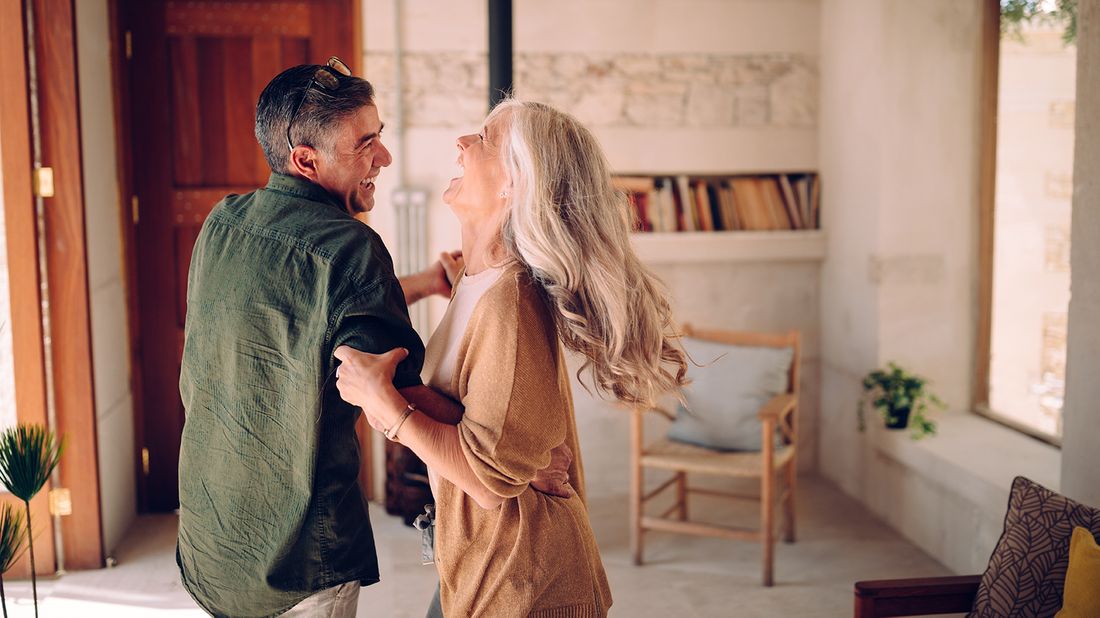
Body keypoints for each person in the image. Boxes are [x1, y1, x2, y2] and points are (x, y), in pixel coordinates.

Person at [333, 100, 690, 617]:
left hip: (525, 581)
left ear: (515, 184)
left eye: (483, 138)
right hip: (488, 563)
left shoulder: (510, 301)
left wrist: (387, 409)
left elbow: (486, 479)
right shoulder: (478, 283)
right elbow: (490, 432)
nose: (462, 143)